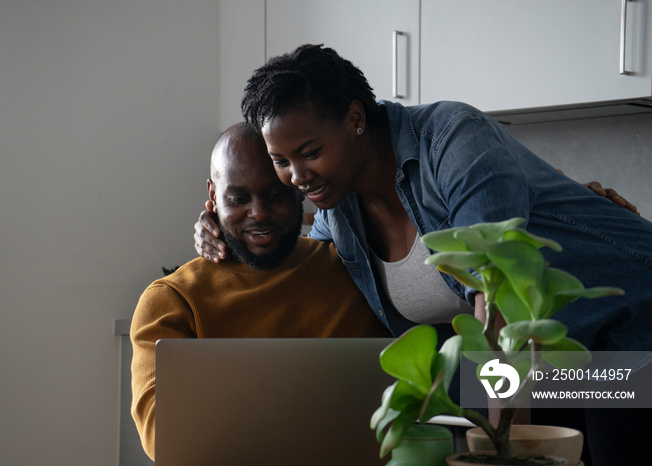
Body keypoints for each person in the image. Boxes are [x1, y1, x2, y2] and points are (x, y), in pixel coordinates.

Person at [194, 44, 652, 464]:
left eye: (309, 152)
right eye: (281, 160)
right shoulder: (338, 209)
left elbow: (495, 295)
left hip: (631, 334)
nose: (297, 176)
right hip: (554, 366)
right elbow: (297, 266)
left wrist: (499, 451)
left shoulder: (452, 138)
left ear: (355, 118)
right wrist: (221, 224)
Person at [130, 122, 390, 461]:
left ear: (298, 189)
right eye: (238, 198)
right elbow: (164, 437)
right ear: (213, 196)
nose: (259, 213)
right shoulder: (170, 300)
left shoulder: (354, 267)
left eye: (275, 194)